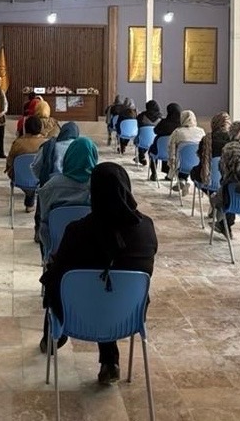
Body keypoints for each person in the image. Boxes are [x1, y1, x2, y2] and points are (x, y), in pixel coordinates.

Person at [40, 163, 157, 384]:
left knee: (59, 279)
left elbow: (59, 274)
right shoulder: (146, 228)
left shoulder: (77, 232)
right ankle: (110, 361)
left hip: (78, 317)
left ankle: (53, 336)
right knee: (108, 285)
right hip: (128, 315)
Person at [36, 137, 97, 256]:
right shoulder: (100, 186)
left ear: (68, 156)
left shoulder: (50, 187)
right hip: (92, 254)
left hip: (57, 252)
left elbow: (44, 223)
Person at [5, 116, 46, 213]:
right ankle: (33, 199)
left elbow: (9, 162)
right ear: (40, 128)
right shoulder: (46, 143)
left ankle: (30, 196)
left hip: (19, 178)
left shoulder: (18, 143)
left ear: (25, 128)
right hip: (40, 178)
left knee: (27, 175)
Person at [167, 110, 206, 196]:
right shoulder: (201, 132)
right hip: (198, 164)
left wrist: (171, 161)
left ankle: (182, 180)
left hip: (182, 164)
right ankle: (185, 181)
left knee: (180, 160)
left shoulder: (177, 132)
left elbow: (170, 147)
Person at [190, 112, 231, 188]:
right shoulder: (234, 140)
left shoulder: (206, 139)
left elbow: (200, 156)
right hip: (228, 182)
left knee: (194, 171)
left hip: (207, 180)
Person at [32, 121, 79, 187]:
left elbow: (36, 167)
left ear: (62, 132)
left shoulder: (48, 146)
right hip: (74, 187)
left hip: (50, 185)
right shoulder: (80, 148)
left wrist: (43, 178)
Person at [148, 103, 182, 182]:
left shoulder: (163, 122)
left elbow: (155, 130)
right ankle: (169, 173)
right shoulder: (181, 125)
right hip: (174, 153)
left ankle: (154, 173)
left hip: (159, 151)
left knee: (152, 151)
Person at [134, 100, 163, 165]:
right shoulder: (160, 118)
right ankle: (142, 157)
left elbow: (138, 125)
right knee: (149, 139)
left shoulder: (142, 116)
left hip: (142, 141)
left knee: (141, 136)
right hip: (155, 142)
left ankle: (141, 157)